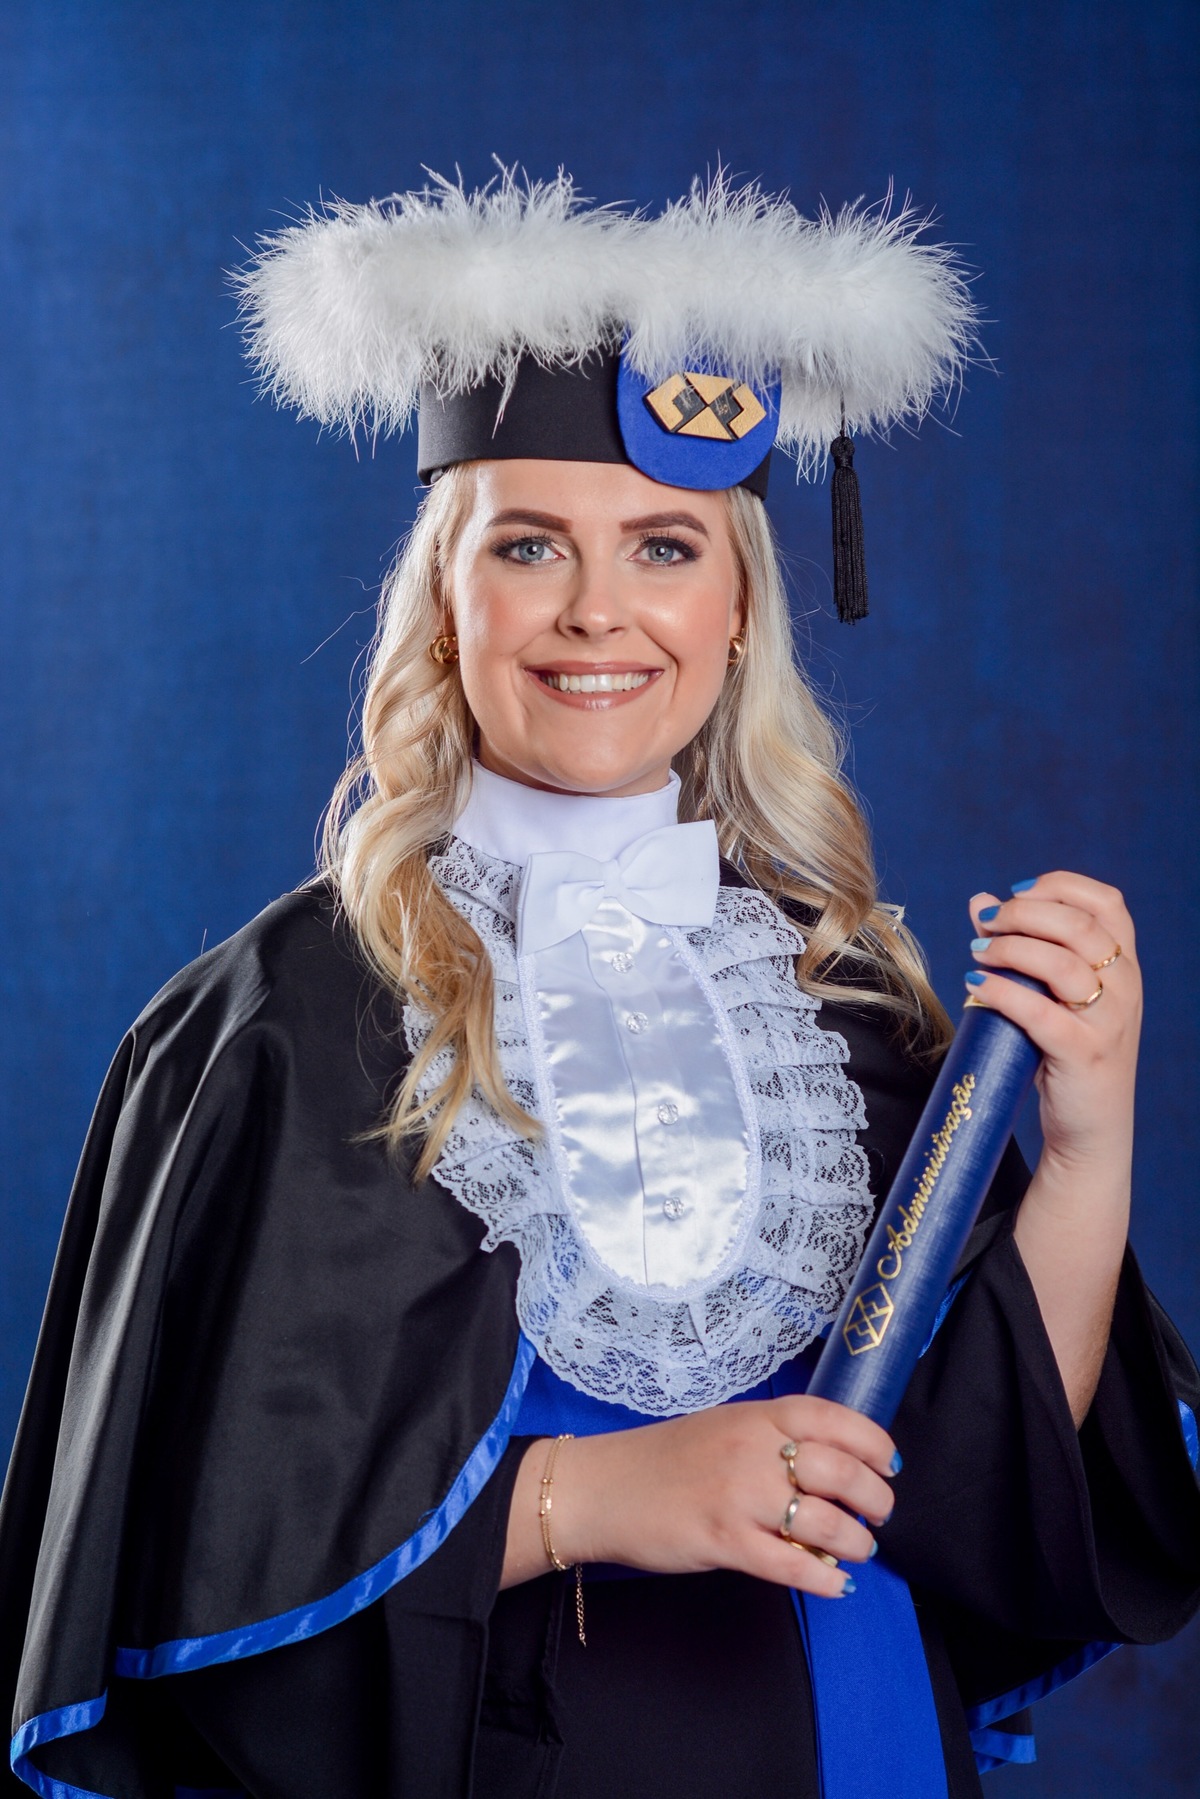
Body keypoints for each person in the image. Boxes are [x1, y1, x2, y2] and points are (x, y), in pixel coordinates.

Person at [2, 171, 1198, 1799]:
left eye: (663, 546)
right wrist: (585, 1502)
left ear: (736, 607)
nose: (597, 612)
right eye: (529, 546)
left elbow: (989, 1464)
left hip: (866, 1742)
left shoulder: (839, 1002)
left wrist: (1089, 1136)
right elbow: (194, 1570)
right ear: (447, 596)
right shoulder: (278, 1023)